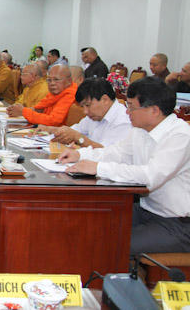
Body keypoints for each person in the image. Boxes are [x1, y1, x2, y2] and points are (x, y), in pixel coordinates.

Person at [60, 77, 190, 256]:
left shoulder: (180, 135)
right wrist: (80, 155)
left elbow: (150, 176)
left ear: (154, 110)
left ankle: (113, 274)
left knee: (114, 245)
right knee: (88, 226)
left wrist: (98, 168)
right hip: (145, 210)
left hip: (176, 223)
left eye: (131, 107)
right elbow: (117, 152)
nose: (127, 112)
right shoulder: (140, 130)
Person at [37, 78, 132, 148]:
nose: (85, 111)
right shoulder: (95, 115)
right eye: (83, 107)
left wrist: (78, 138)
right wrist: (50, 129)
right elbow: (74, 131)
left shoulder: (123, 121)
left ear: (105, 100)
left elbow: (108, 153)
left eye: (88, 105)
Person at [6, 64, 77, 126]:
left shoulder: (70, 95)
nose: (52, 83)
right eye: (49, 80)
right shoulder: (54, 93)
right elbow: (39, 109)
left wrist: (24, 112)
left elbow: (53, 121)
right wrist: (17, 110)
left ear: (69, 81)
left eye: (56, 79)